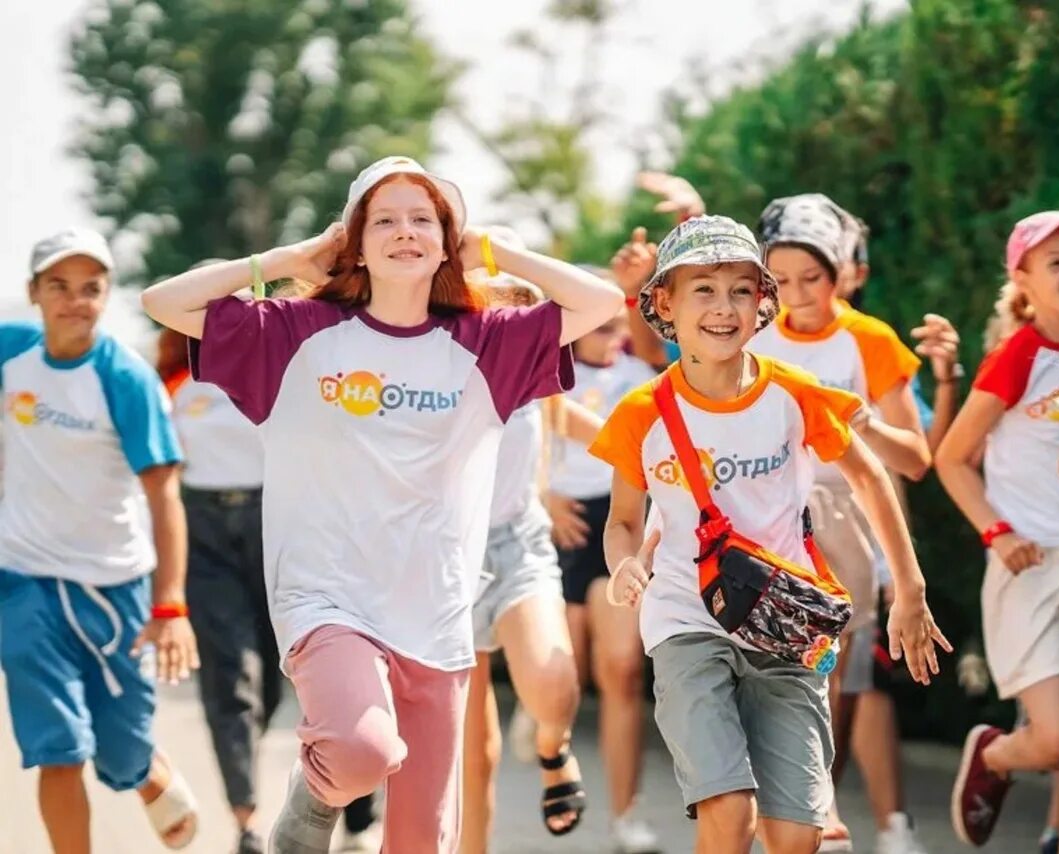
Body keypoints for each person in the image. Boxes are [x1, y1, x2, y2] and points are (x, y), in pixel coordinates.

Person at [140, 155, 623, 854]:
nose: (404, 231)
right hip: (328, 598)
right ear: (356, 244)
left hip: (437, 612)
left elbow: (601, 303)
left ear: (448, 242)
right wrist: (287, 259)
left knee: (422, 841)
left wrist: (496, 251)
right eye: (384, 220)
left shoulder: (486, 342)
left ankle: (335, 788)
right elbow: (163, 302)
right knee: (359, 750)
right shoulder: (296, 333)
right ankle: (320, 792)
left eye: (423, 220)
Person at [590, 215, 950, 854]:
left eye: (740, 290)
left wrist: (910, 589)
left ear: (761, 302)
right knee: (729, 812)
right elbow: (621, 522)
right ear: (665, 303)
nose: (723, 308)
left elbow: (870, 477)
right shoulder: (641, 413)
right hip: (685, 620)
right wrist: (624, 565)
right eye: (703, 290)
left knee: (798, 837)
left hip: (785, 624)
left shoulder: (793, 392)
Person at [936, 211, 1059, 851]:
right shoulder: (1016, 355)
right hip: (1028, 565)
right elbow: (952, 459)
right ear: (1022, 281)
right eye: (1056, 263)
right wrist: (996, 533)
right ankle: (995, 755)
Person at [747, 193, 937, 854]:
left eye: (813, 277)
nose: (797, 295)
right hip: (766, 518)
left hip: (849, 518)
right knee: (784, 675)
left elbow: (915, 460)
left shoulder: (869, 339)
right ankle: (806, 811)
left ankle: (816, 806)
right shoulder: (750, 330)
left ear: (841, 271)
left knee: (840, 680)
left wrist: (864, 421)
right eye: (780, 280)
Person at [0, 229, 200, 853]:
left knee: (120, 752)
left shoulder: (126, 379)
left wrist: (170, 606)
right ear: (35, 292)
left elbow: (164, 497)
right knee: (57, 749)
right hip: (23, 582)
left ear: (107, 295)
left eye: (90, 288)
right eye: (59, 286)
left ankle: (145, 770)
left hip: (114, 588)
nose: (75, 301)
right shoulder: (11, 352)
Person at [157, 320, 381, 854]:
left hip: (278, 523)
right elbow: (159, 475)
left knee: (305, 673)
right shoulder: (174, 384)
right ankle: (247, 823)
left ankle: (355, 810)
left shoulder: (283, 371)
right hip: (205, 535)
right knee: (233, 682)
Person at [461, 274, 596, 850]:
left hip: (517, 545)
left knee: (552, 685)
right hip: (446, 554)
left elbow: (603, 433)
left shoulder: (537, 372)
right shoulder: (438, 361)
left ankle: (552, 747)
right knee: (470, 753)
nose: (513, 313)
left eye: (523, 301)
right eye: (499, 300)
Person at [544, 299, 661, 852]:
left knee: (623, 669)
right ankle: (544, 724)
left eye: (620, 326)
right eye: (601, 327)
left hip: (617, 522)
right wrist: (542, 498)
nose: (614, 336)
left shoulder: (641, 376)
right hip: (558, 525)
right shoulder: (546, 372)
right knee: (564, 676)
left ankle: (625, 815)